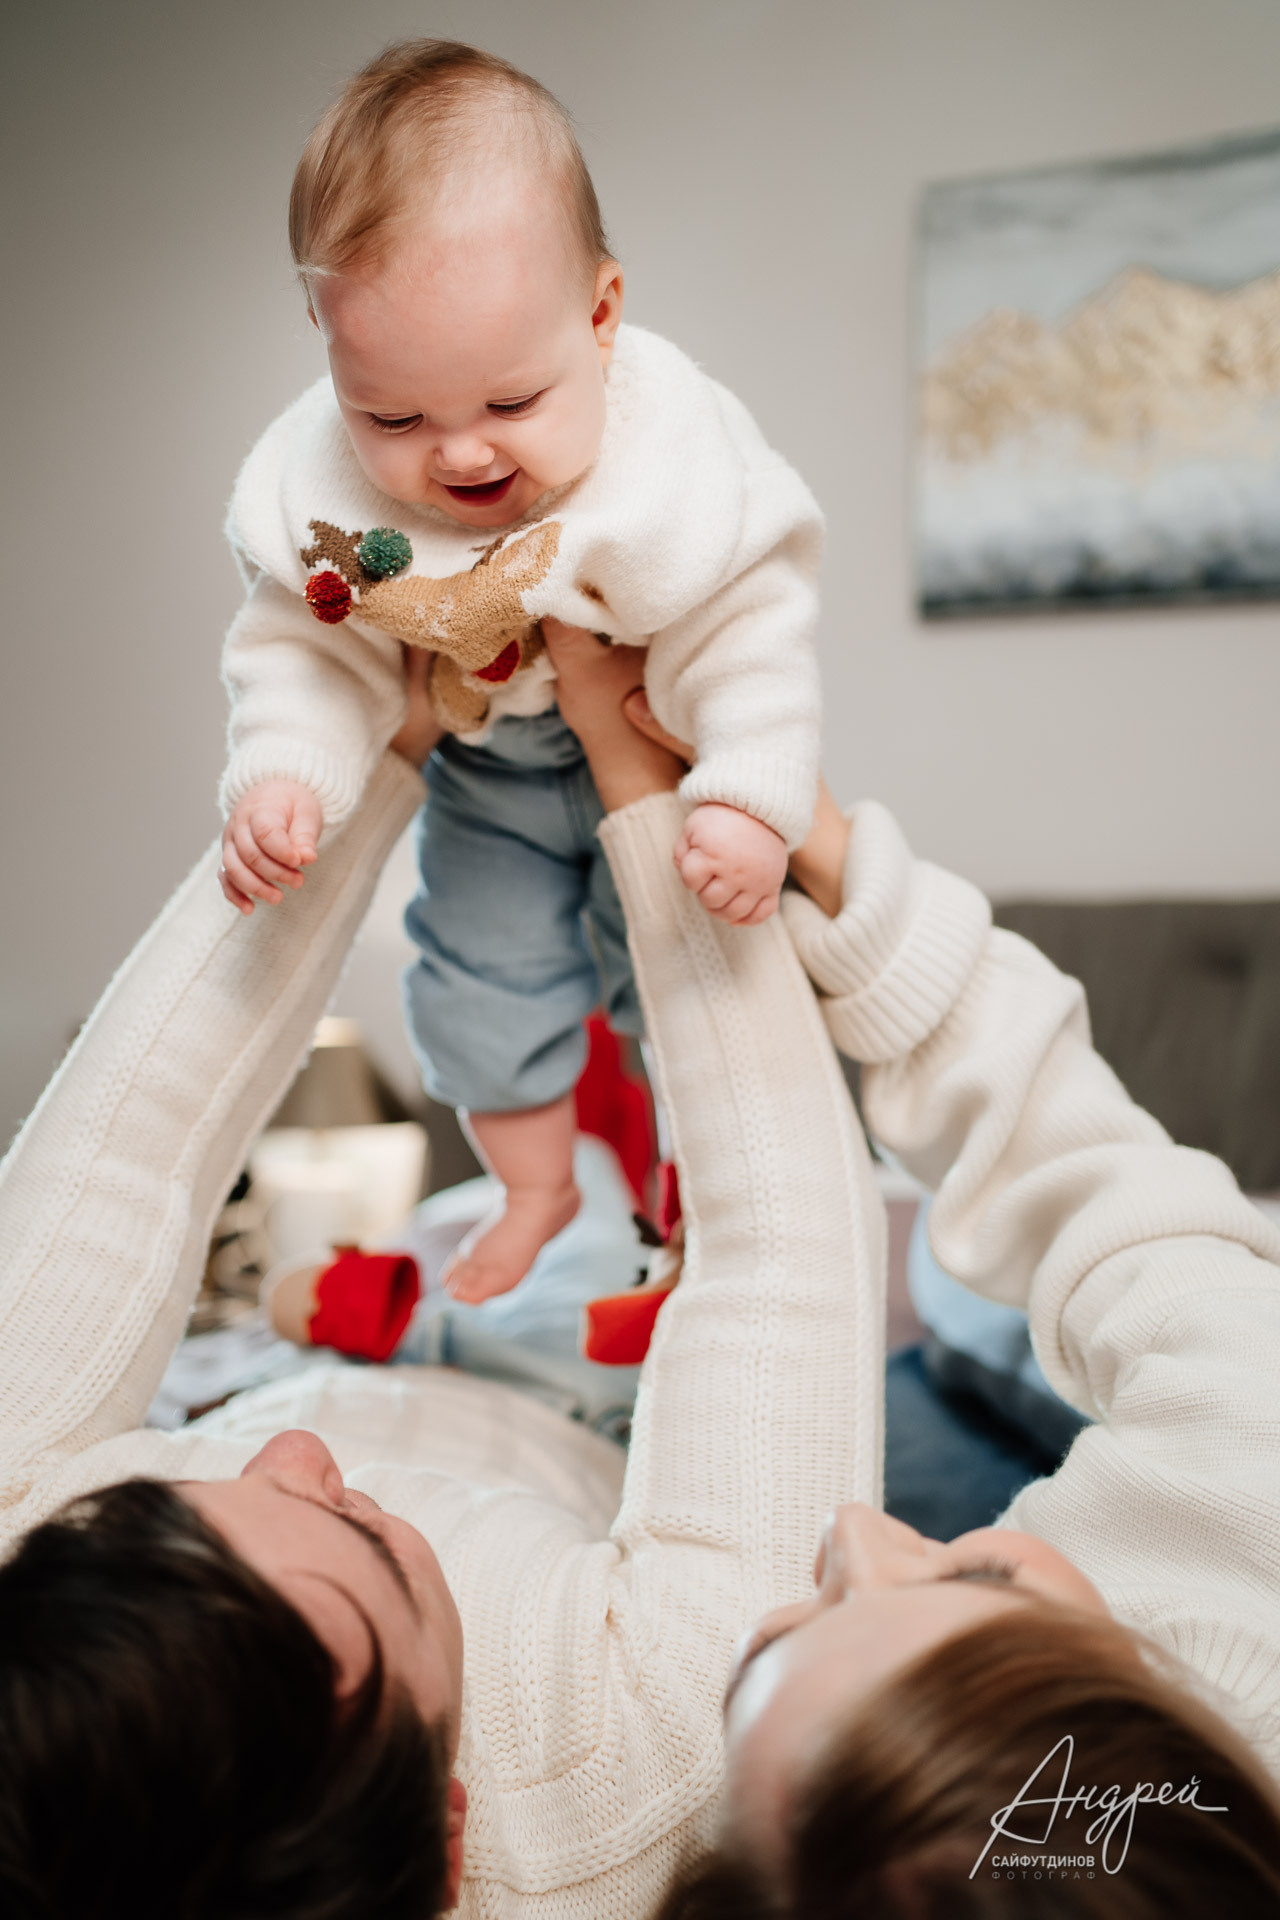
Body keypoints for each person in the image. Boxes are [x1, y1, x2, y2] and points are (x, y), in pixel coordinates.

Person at [3, 641, 1279, 1917]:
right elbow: (786, 1262)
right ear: (446, 1853)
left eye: (160, 1509)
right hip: (622, 1436)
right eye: (366, 1550)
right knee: (955, 1326)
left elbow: (122, 1160)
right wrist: (670, 797)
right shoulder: (662, 1777)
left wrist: (357, 763)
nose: (851, 1530)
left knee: (971, 1327)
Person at [217, 38, 823, 1303]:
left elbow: (751, 617)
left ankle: (704, 1206)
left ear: (600, 315)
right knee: (476, 977)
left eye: (509, 400)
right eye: (394, 418)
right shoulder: (333, 497)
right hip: (483, 781)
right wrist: (282, 773)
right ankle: (534, 1186)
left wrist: (750, 791)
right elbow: (301, 642)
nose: (459, 457)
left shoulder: (668, 452)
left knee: (688, 980)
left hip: (651, 766)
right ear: (328, 346)